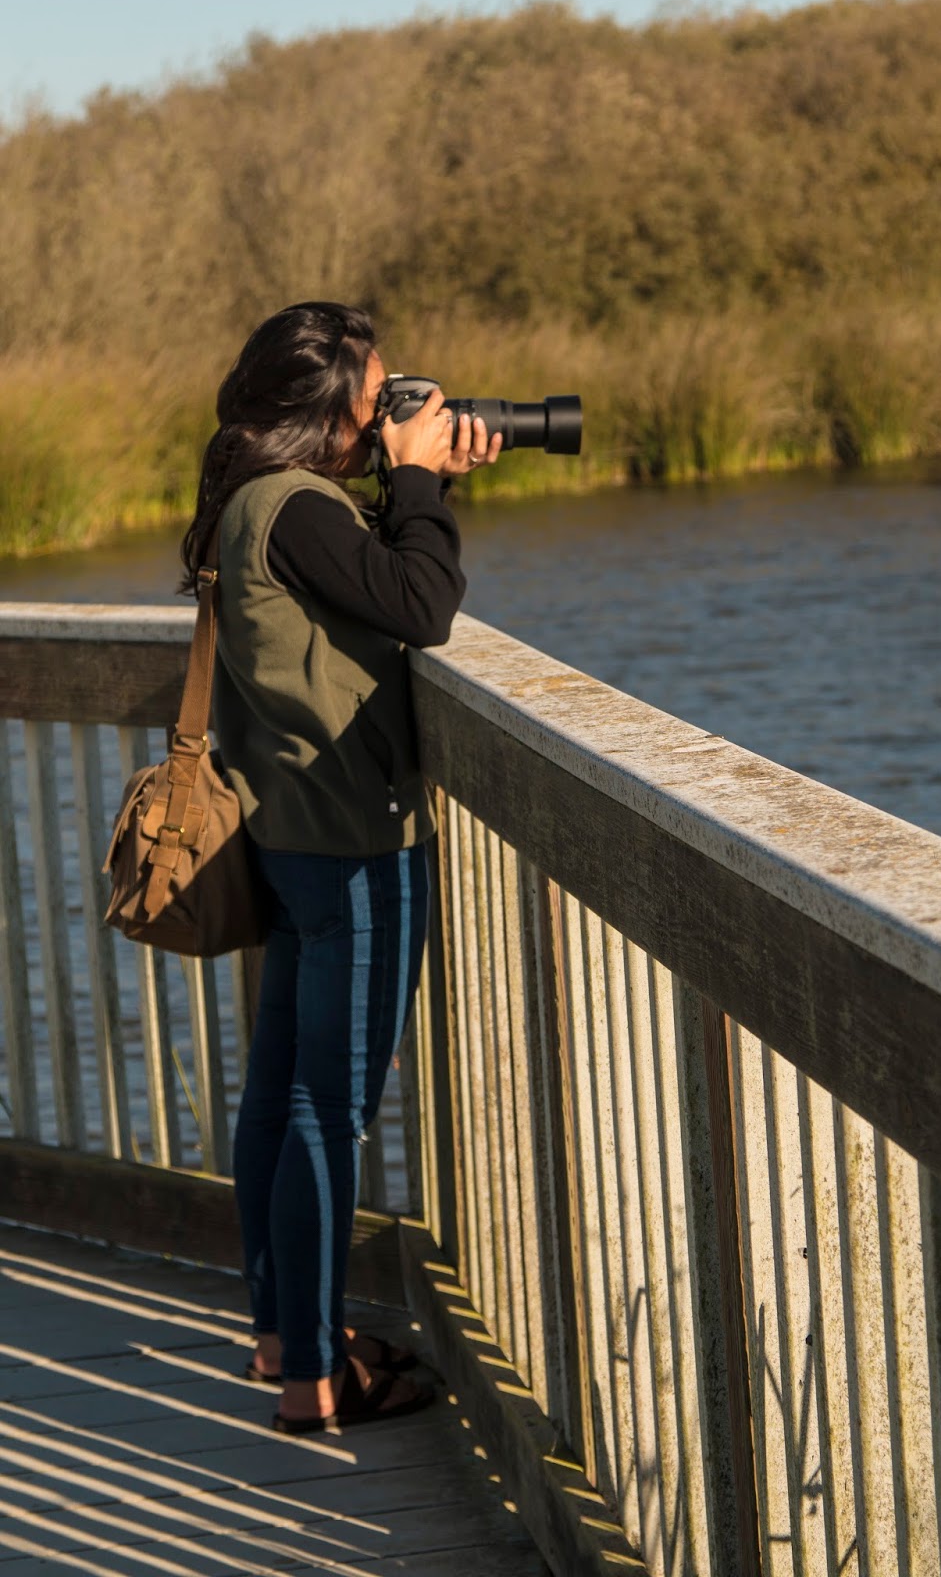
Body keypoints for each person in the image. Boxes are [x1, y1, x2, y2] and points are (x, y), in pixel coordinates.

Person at [178, 301, 502, 1433]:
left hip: (293, 836)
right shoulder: (301, 508)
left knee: (282, 1094)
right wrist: (413, 480)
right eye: (377, 400)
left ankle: (286, 1336)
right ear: (327, 413)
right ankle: (316, 1382)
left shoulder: (256, 500)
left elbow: (375, 590)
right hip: (357, 845)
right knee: (329, 1112)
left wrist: (425, 487)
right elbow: (423, 606)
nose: (390, 412)